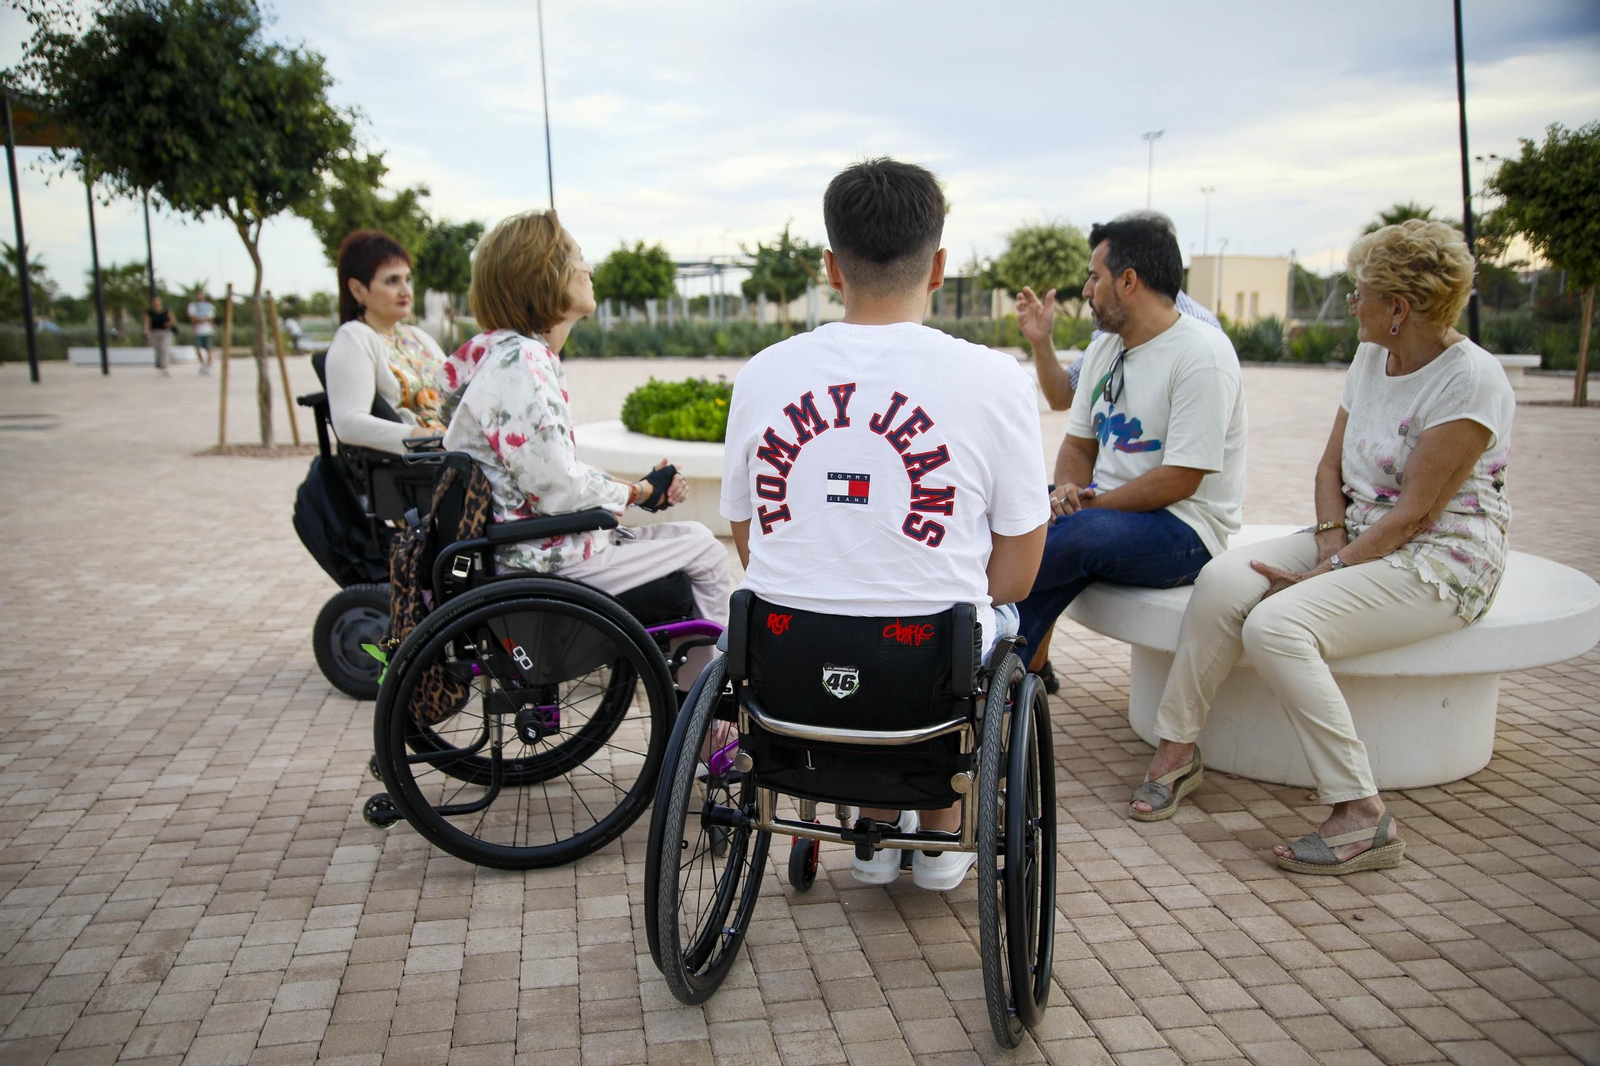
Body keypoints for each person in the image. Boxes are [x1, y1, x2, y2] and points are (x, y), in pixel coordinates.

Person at [1132, 220, 1512, 876]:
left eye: (1360, 293)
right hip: (1360, 530)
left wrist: (1326, 572)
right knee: (1222, 582)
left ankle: (1361, 812)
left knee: (1277, 626)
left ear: (1399, 308)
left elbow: (1417, 514)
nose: (1351, 303)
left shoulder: (1471, 380)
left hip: (1441, 557)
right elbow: (1328, 467)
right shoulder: (1372, 357)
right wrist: (1331, 540)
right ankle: (1177, 750)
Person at [720, 158, 1050, 891]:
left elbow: (753, 544)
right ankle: (939, 833)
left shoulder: (763, 373)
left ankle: (871, 826)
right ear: (938, 267)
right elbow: (1019, 571)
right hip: (926, 663)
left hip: (786, 658)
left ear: (831, 267)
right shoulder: (997, 380)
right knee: (982, 621)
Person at [437, 210, 732, 629]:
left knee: (693, 540)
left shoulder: (503, 355)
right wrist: (639, 491)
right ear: (545, 274)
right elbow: (557, 488)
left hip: (532, 548)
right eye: (579, 257)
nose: (589, 268)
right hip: (539, 562)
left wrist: (640, 490)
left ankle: (698, 669)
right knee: (705, 551)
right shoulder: (521, 364)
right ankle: (717, 674)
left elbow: (548, 471)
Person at [1012, 218, 1248, 693]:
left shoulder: (1202, 354)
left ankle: (985, 651)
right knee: (1016, 509)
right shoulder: (1106, 349)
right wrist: (1067, 491)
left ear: (1128, 280)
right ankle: (1004, 676)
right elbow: (1078, 444)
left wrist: (1087, 506)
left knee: (1074, 534)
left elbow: (1180, 479)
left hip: (1186, 529)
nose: (1086, 290)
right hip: (1108, 510)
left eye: (1093, 277)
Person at [1019, 209, 1223, 412]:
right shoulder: (1111, 332)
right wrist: (1041, 341)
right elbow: (1063, 396)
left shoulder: (1202, 338)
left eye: (1096, 277)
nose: (1087, 291)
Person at [324, 230, 448, 455]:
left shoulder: (417, 337)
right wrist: (424, 437)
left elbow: (459, 389)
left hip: (456, 451)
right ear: (358, 290)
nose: (405, 291)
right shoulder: (355, 337)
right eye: (392, 281)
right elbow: (349, 424)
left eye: (407, 279)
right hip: (425, 463)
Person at [143, 296, 175, 376]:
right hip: (154, 332)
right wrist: (146, 332)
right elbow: (147, 322)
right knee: (158, 349)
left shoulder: (166, 311)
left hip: (165, 332)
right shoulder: (149, 312)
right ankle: (159, 365)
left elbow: (172, 320)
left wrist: (168, 324)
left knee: (163, 348)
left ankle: (164, 366)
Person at [187, 290, 216, 374]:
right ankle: (203, 364)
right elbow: (192, 318)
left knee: (209, 349)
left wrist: (200, 319)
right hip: (198, 331)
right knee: (197, 349)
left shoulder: (209, 306)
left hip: (207, 331)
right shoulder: (193, 306)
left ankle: (209, 366)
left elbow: (210, 318)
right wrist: (202, 319)